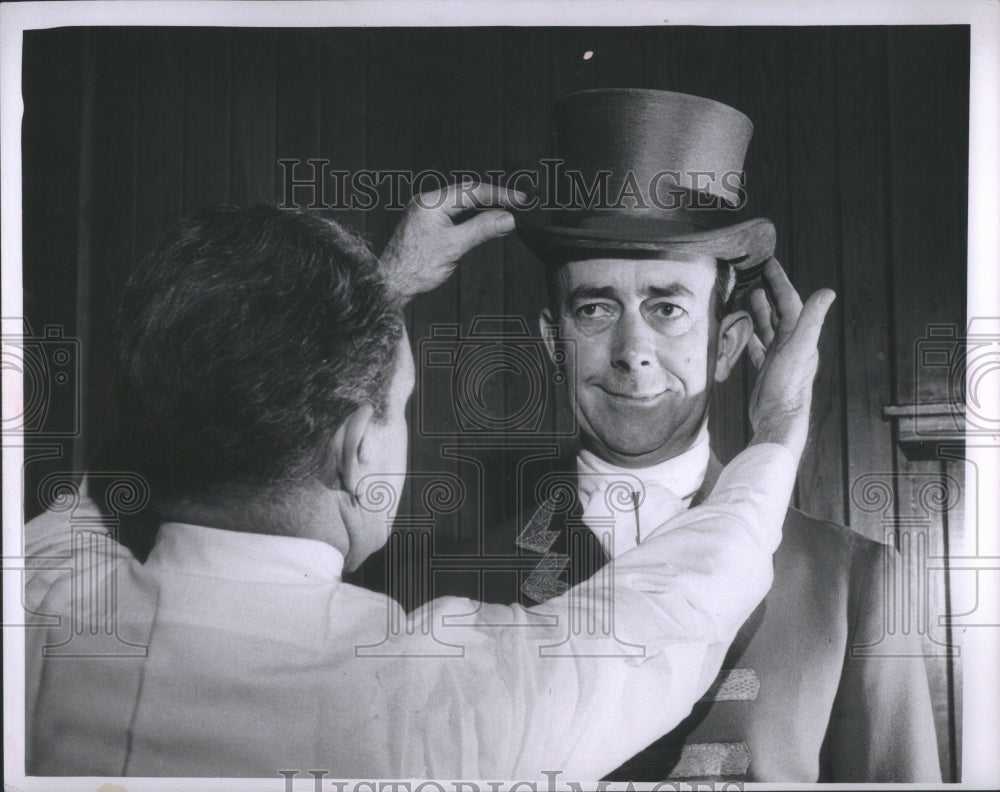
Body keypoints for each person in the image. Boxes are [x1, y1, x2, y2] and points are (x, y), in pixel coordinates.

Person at [22, 192, 833, 779]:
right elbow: (683, 607)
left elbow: (111, 470)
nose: (630, 350)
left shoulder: (45, 599)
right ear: (352, 450)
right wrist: (782, 422)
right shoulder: (438, 700)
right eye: (397, 407)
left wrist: (374, 300)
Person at [428, 89, 941, 782]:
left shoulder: (856, 584)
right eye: (596, 307)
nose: (632, 350)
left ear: (726, 344)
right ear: (554, 343)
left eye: (667, 307)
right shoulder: (451, 589)